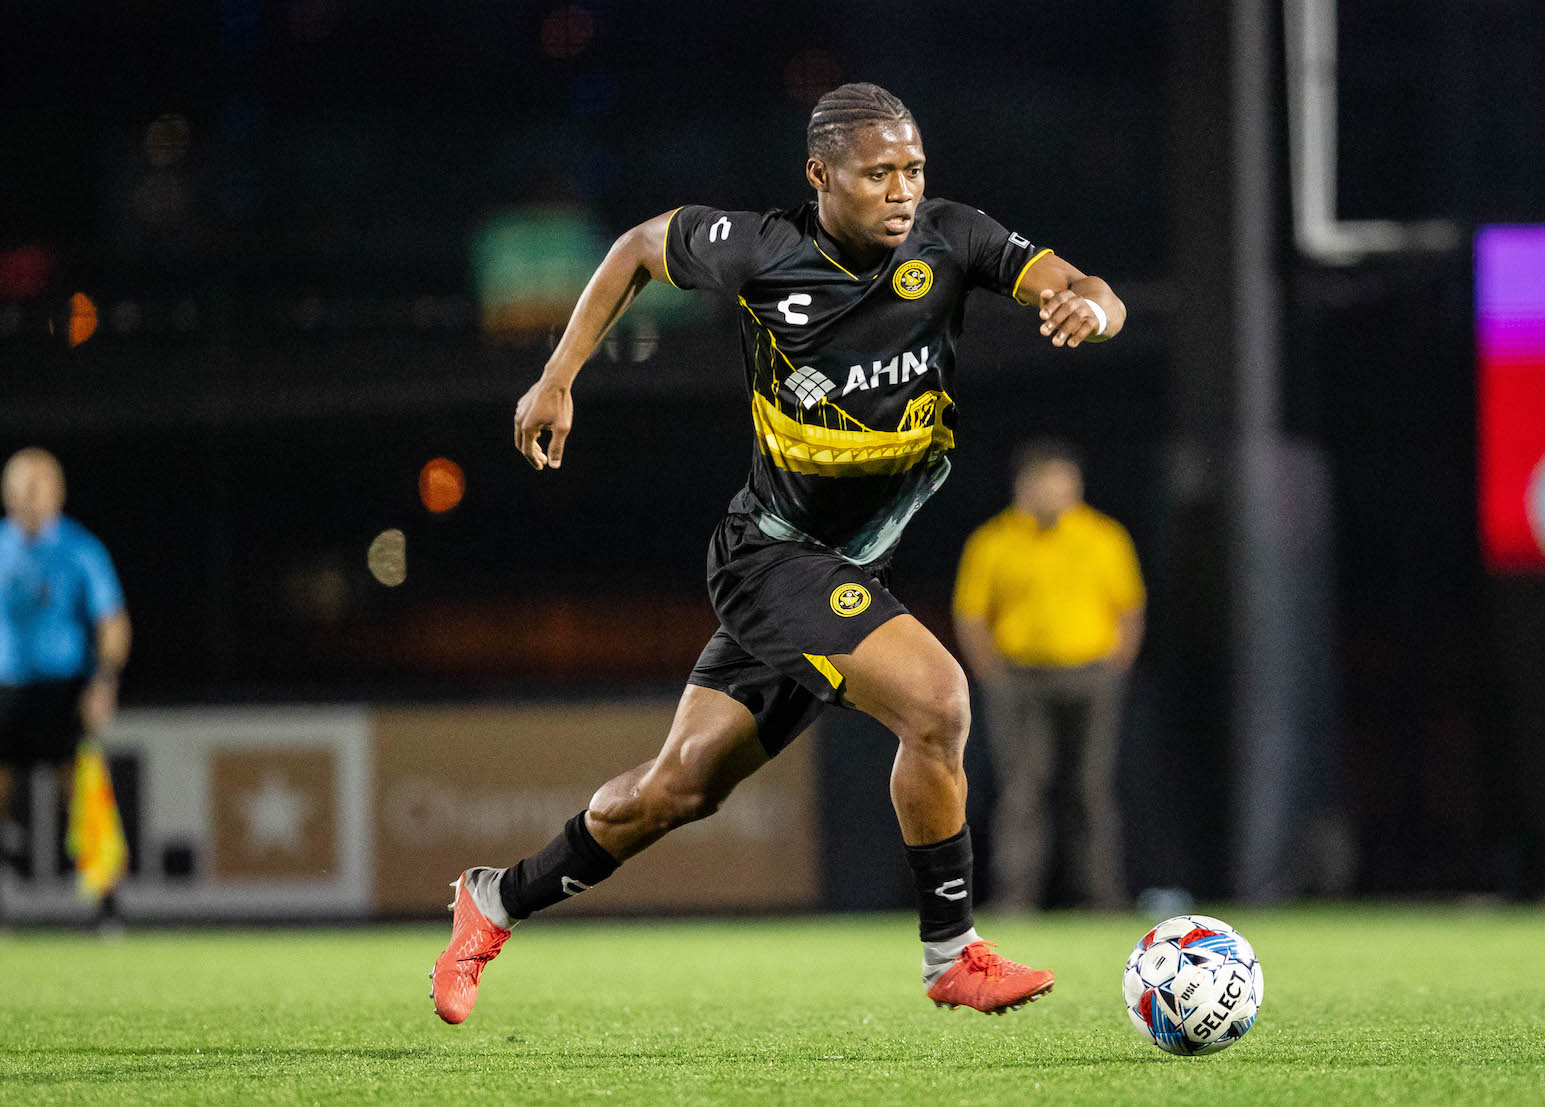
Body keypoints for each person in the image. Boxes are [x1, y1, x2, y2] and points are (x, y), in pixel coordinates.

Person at [430, 83, 1126, 1023]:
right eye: (878, 173)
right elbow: (638, 245)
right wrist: (557, 377)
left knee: (674, 791)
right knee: (938, 701)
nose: (902, 191)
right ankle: (951, 952)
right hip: (773, 558)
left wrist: (1092, 312)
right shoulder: (762, 250)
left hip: (840, 568)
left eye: (914, 170)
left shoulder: (954, 239)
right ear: (821, 176)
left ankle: (493, 899)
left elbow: (1087, 288)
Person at [952, 438, 1144, 912]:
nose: (1058, 492)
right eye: (1048, 481)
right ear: (1024, 485)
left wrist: (1117, 665)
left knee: (1092, 789)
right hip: (1019, 679)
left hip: (1092, 676)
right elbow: (971, 614)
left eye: (1066, 482)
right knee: (1020, 790)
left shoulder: (1104, 536)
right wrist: (992, 673)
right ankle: (1015, 899)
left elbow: (1129, 607)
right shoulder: (993, 541)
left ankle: (1102, 899)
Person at [0, 448, 131, 914]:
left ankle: (106, 899)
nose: (26, 497)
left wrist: (105, 680)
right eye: (18, 487)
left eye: (36, 487)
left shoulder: (80, 549)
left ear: (57, 493)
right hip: (6, 687)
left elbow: (111, 622)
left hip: (64, 688)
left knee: (83, 788)